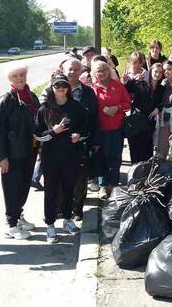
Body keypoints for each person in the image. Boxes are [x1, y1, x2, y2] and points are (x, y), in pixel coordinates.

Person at [40, 58, 98, 220]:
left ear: (81, 72)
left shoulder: (87, 92)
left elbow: (91, 119)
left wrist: (85, 137)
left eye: (75, 69)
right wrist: (51, 133)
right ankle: (57, 211)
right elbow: (40, 123)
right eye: (69, 69)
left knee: (78, 179)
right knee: (54, 183)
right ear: (62, 71)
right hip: (52, 146)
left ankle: (76, 210)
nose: (72, 72)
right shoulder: (48, 95)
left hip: (77, 145)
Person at [35, 75, 87, 243]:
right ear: (52, 88)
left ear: (68, 88)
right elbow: (37, 136)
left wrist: (79, 136)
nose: (61, 89)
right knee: (50, 191)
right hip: (50, 158)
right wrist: (53, 132)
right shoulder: (44, 109)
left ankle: (67, 219)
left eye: (64, 86)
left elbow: (87, 129)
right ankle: (50, 225)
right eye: (57, 86)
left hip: (71, 155)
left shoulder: (77, 107)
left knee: (69, 189)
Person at [0, 63, 39, 240]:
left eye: (22, 75)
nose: (19, 79)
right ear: (9, 80)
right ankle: (10, 224)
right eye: (15, 76)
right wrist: (2, 157)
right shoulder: (4, 101)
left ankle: (18, 216)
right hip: (12, 153)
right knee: (12, 188)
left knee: (25, 185)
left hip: (30, 150)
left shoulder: (31, 97)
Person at [90, 61, 131, 197]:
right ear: (94, 73)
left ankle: (113, 184)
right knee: (102, 158)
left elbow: (128, 104)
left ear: (108, 70)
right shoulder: (93, 89)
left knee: (116, 157)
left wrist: (117, 108)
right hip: (100, 130)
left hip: (117, 129)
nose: (102, 73)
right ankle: (103, 185)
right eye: (98, 71)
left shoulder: (118, 86)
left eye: (104, 70)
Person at [122, 52, 154, 164]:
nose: (135, 65)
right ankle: (135, 171)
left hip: (145, 115)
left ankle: (146, 171)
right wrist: (126, 82)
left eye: (137, 62)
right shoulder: (127, 76)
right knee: (134, 145)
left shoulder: (148, 74)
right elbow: (123, 95)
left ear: (142, 62)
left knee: (146, 145)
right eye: (133, 62)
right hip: (132, 117)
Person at [147, 62, 166, 155]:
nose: (157, 74)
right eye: (155, 71)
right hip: (140, 120)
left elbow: (164, 102)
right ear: (151, 71)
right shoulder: (142, 84)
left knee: (149, 146)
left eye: (160, 72)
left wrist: (158, 108)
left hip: (152, 120)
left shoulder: (162, 88)